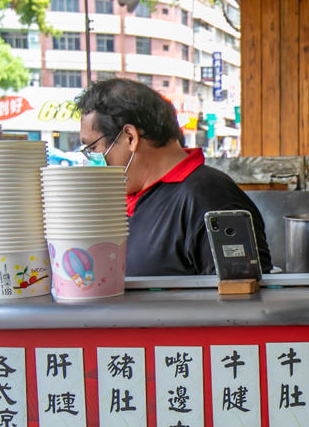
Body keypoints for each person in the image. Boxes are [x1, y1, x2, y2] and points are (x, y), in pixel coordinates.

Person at [75, 78, 272, 277]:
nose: (92, 158)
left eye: (93, 148)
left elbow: (241, 299)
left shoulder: (212, 199)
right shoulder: (125, 198)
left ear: (130, 137)